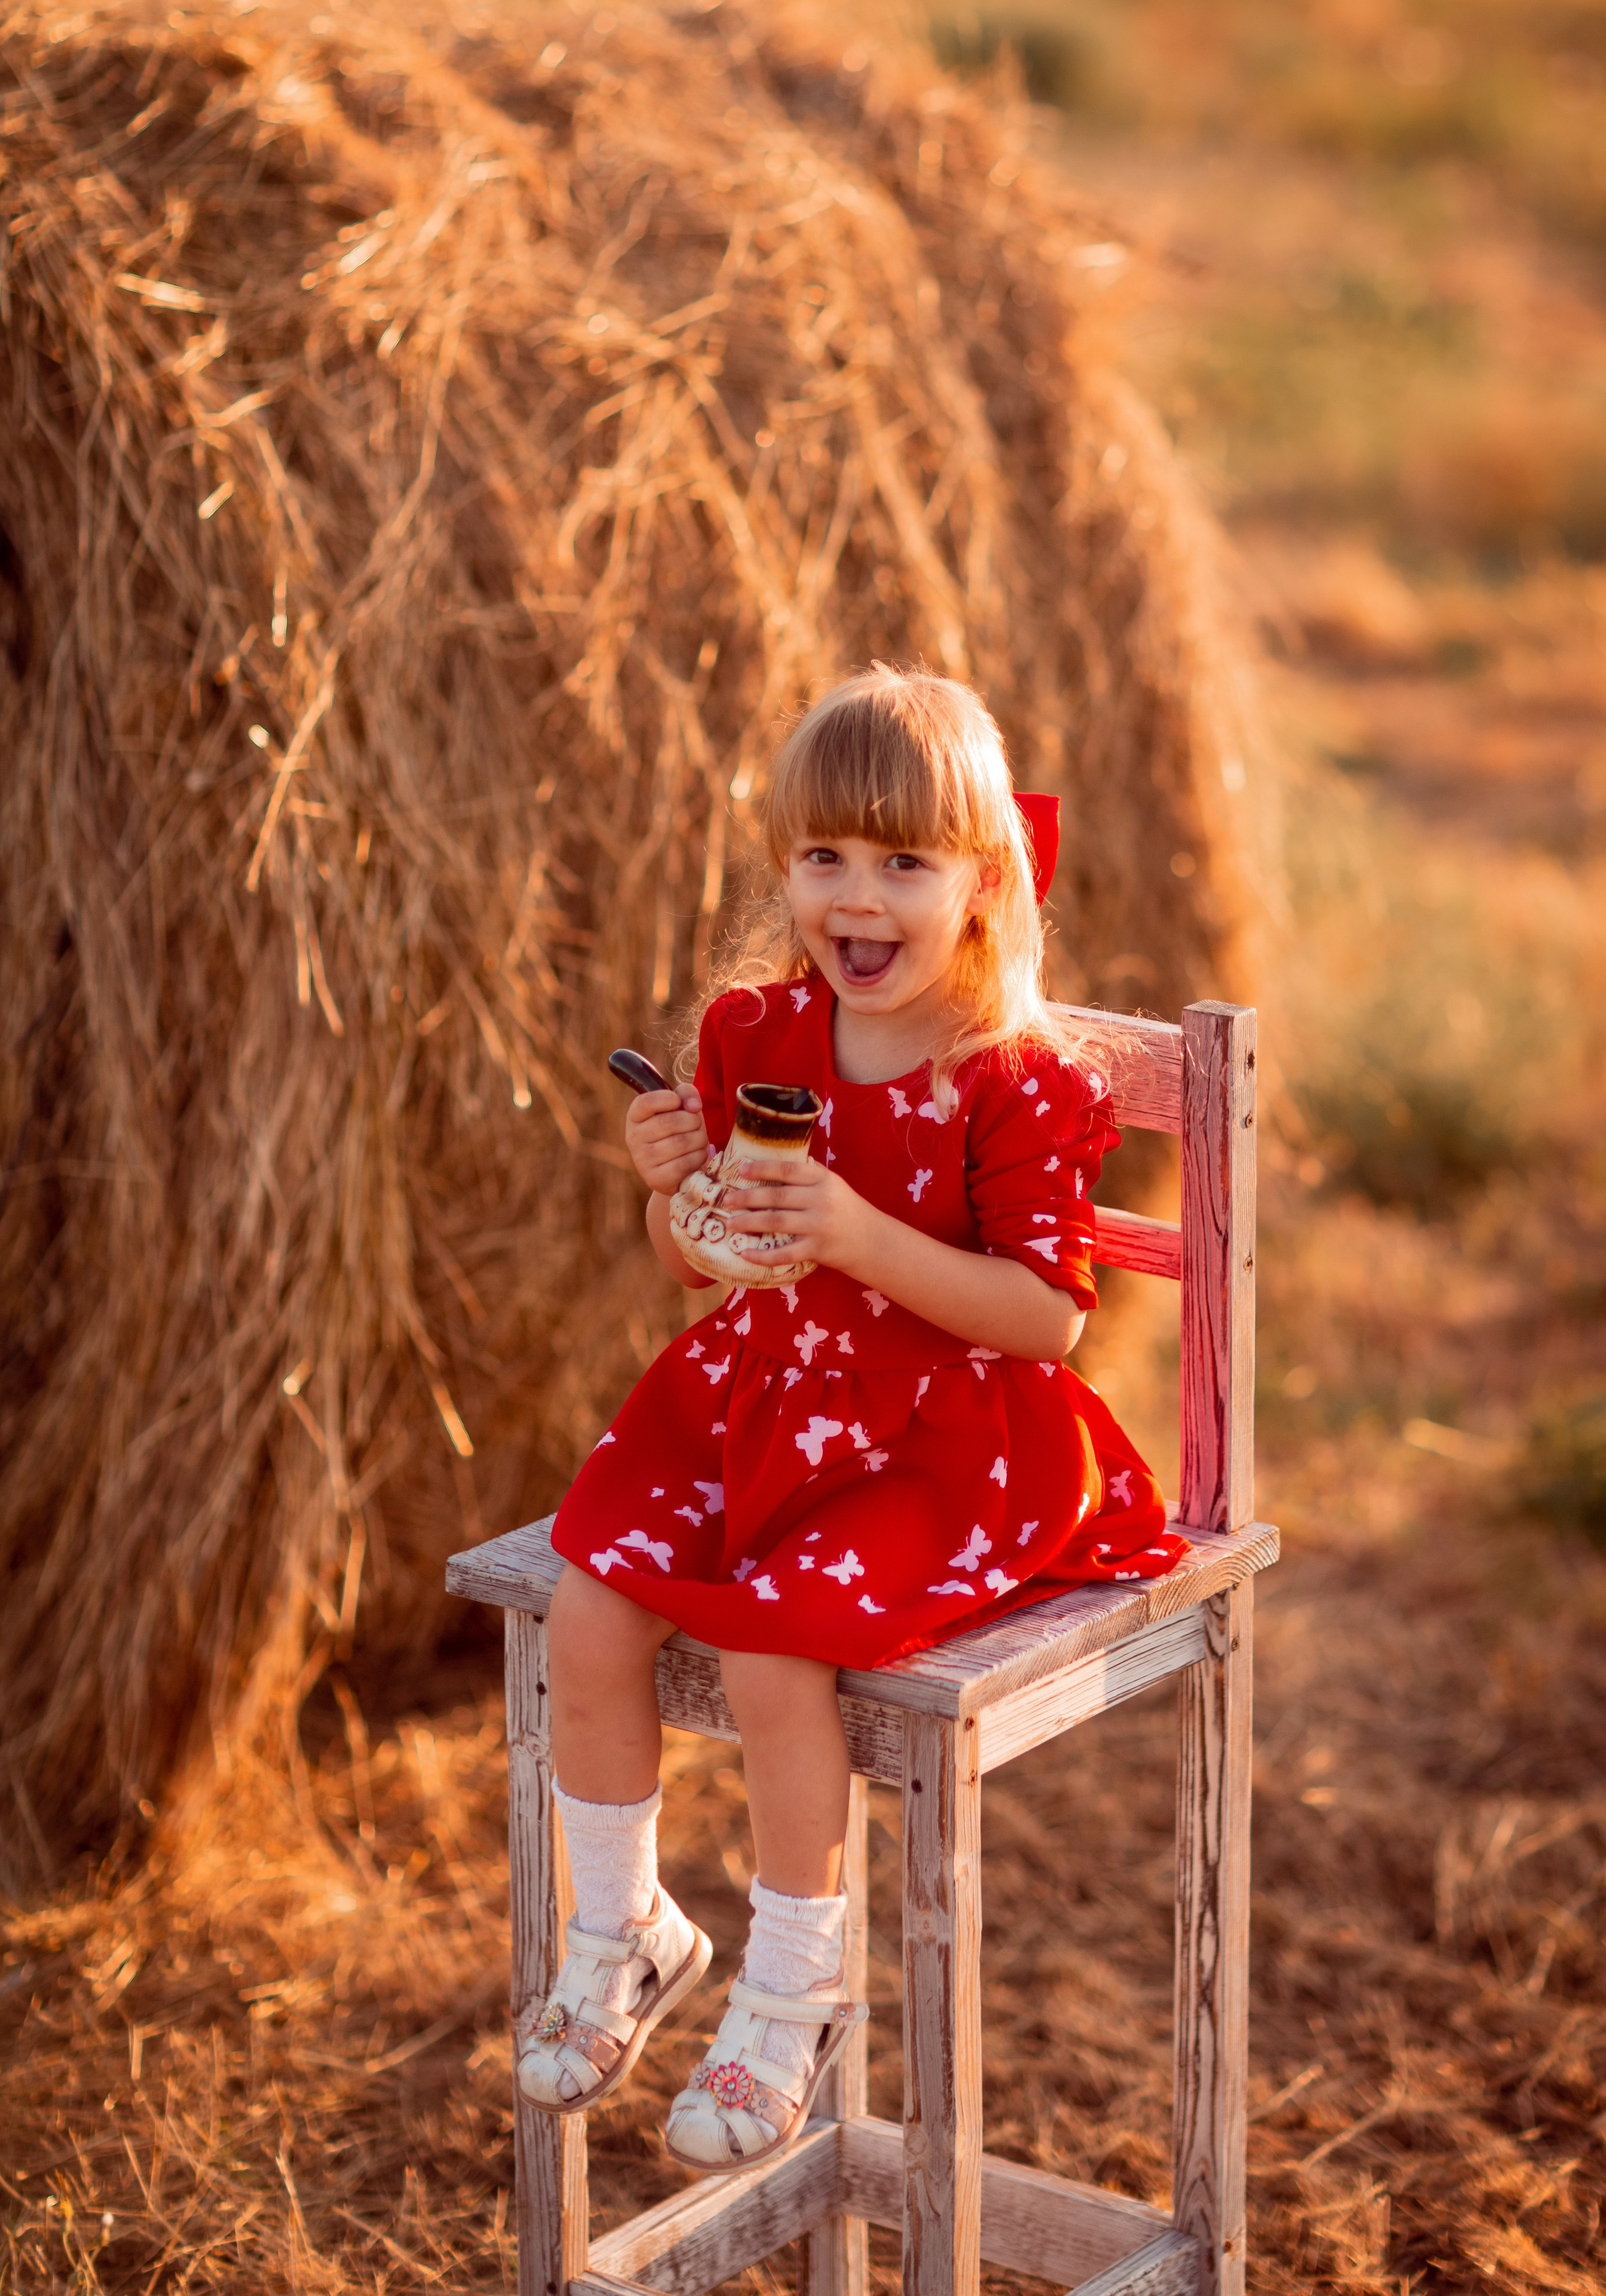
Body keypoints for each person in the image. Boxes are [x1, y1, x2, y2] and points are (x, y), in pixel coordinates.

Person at [519, 666, 1186, 2171]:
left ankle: (793, 1986)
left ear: (980, 883)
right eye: (823, 856)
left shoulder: (1006, 1078)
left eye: (902, 860)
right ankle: (623, 1926)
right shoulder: (753, 1032)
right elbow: (706, 1263)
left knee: (769, 1645)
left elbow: (1046, 1314)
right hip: (758, 1400)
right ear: (784, 872)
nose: (857, 894)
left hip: (944, 1440)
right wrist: (670, 1190)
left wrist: (854, 1231)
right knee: (587, 1607)